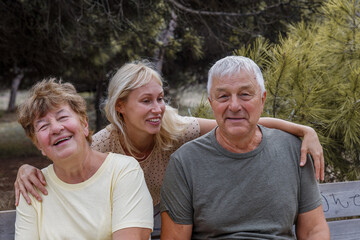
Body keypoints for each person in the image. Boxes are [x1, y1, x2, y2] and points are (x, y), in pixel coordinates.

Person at [14, 60, 324, 238]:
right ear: (120, 106)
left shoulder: (175, 129)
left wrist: (300, 129)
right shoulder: (100, 148)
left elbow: (234, 120)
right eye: (146, 101)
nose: (158, 108)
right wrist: (27, 170)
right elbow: (66, 158)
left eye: (161, 98)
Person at [160, 56, 330, 239]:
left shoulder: (293, 150)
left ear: (262, 99)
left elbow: (314, 230)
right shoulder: (185, 162)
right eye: (223, 96)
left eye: (245, 94)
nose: (234, 106)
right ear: (211, 103)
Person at [15, 79, 153, 239]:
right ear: (38, 144)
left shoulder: (123, 171)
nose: (56, 128)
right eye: (43, 126)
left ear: (84, 124)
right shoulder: (32, 188)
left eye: (62, 117)